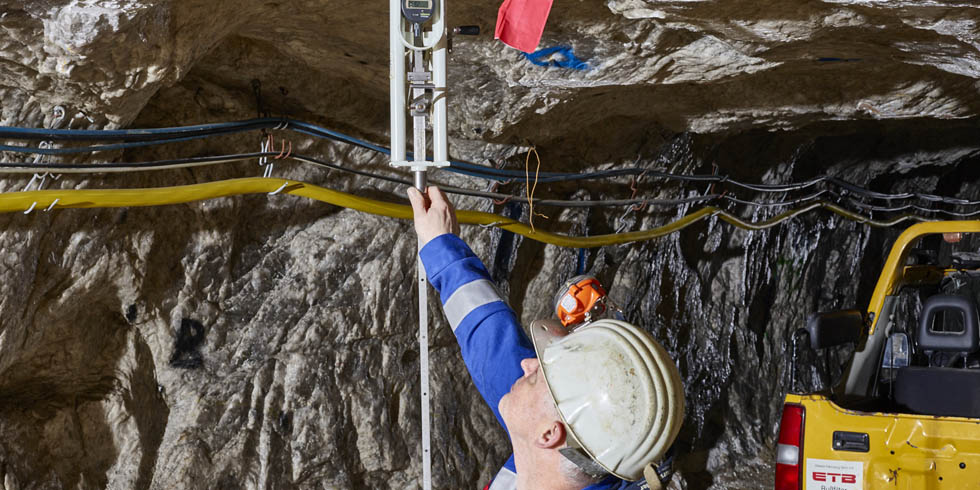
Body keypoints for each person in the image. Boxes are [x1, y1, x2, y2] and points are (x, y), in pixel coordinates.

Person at [407, 186, 685, 490]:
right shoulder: (577, 446)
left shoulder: (566, 440)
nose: (527, 364)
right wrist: (443, 249)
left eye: (539, 376)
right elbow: (495, 349)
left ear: (549, 435)